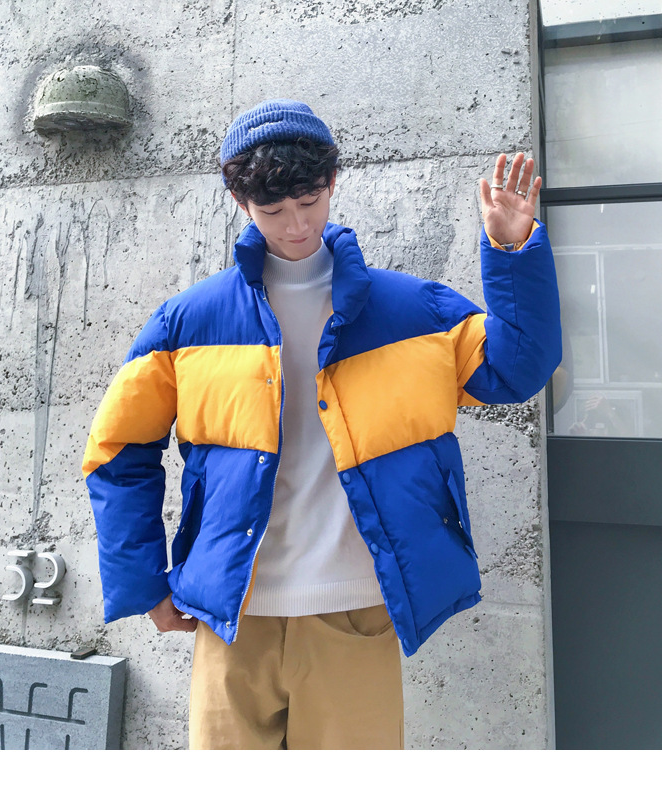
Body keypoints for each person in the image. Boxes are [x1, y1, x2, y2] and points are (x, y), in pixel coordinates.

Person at [83, 99, 561, 750]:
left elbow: (518, 370)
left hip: (355, 611)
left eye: (309, 201)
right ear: (239, 201)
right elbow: (118, 451)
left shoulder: (412, 311)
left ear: (332, 182)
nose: (297, 225)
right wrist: (142, 581)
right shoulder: (188, 322)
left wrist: (513, 251)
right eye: (273, 210)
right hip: (233, 617)